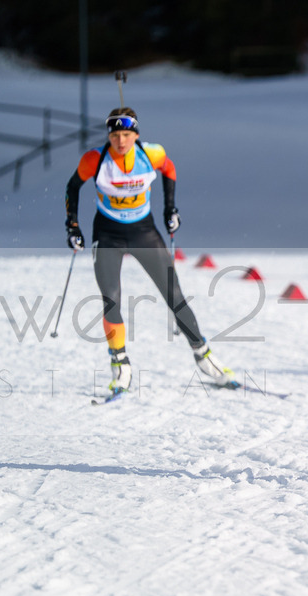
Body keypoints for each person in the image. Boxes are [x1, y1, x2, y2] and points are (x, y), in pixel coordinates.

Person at [64, 107, 236, 399]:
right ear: (109, 135)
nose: (121, 141)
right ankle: (120, 364)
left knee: (174, 295)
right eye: (115, 135)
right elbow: (72, 186)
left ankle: (203, 356)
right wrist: (73, 226)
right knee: (111, 299)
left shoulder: (152, 154)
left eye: (127, 135)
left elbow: (169, 169)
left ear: (136, 135)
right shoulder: (95, 159)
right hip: (108, 234)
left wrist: (171, 208)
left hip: (143, 231)